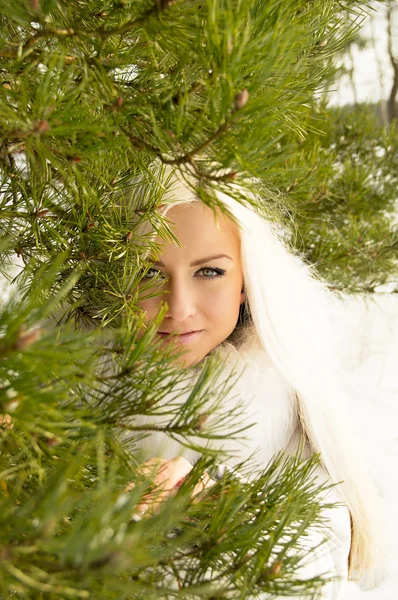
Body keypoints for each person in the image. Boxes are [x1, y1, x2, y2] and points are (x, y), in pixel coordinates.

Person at [129, 168, 383, 598]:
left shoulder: (285, 389)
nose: (179, 308)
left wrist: (221, 504)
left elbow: (321, 557)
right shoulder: (74, 384)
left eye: (209, 272)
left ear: (246, 280)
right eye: (149, 274)